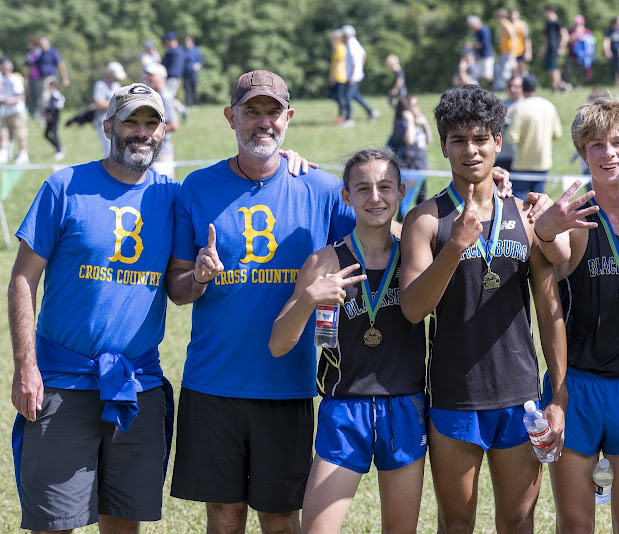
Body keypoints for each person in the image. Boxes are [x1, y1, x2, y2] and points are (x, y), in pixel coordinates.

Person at [165, 70, 356, 534]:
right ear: (231, 117)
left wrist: (480, 186)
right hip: (213, 382)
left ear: (288, 118)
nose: (263, 122)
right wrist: (199, 277)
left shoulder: (320, 188)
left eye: (273, 112)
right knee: (223, 514)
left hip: (286, 385)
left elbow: (383, 227)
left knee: (279, 517)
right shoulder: (197, 187)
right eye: (252, 111)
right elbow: (176, 287)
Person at [398, 84, 568, 533]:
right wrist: (454, 247)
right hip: (455, 395)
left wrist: (559, 394)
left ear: (497, 141)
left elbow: (549, 309)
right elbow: (413, 309)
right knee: (456, 523)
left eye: (480, 138)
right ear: (443, 146)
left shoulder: (526, 216)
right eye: (458, 140)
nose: (470, 150)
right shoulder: (426, 220)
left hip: (520, 396)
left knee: (519, 522)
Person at [9, 82, 178, 533]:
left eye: (151, 123)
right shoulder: (64, 186)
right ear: (108, 127)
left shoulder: (174, 197)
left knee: (122, 522)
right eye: (130, 121)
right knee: (53, 523)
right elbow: (23, 279)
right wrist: (25, 366)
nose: (141, 132)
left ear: (163, 131)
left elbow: (238, 185)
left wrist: (287, 162)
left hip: (136, 383)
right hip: (60, 383)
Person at [269, 149, 426, 534]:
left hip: (404, 405)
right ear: (346, 196)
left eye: (385, 187)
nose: (375, 197)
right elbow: (278, 344)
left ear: (401, 192)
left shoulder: (417, 249)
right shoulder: (324, 262)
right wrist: (308, 299)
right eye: (363, 188)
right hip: (344, 407)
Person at [534, 97, 619, 533]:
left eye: (618, 142)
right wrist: (547, 229)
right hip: (577, 387)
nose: (608, 153)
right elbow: (555, 248)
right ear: (583, 153)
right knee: (575, 523)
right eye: (595, 145)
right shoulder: (575, 221)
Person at [507, 74, 562, 196]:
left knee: (519, 200)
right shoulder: (549, 106)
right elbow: (557, 133)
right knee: (539, 200)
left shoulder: (520, 108)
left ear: (522, 89)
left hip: (522, 164)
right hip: (543, 162)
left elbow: (512, 136)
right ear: (536, 88)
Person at [387, 94, 432, 217]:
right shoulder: (401, 124)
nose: (418, 107)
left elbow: (429, 139)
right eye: (415, 105)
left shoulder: (417, 124)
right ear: (407, 108)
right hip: (409, 172)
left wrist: (425, 124)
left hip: (421, 169)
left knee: (422, 203)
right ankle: (399, 227)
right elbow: (410, 140)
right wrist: (410, 121)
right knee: (404, 205)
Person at [144, 63, 180, 179]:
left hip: (163, 152)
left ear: (161, 77)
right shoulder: (155, 95)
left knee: (164, 187)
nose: (148, 78)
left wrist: (150, 133)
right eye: (147, 75)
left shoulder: (165, 96)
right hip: (151, 150)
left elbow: (174, 125)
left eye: (151, 75)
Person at [341, 24, 378, 128]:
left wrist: (353, 75)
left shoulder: (350, 44)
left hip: (353, 77)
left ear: (347, 35)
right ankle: (371, 112)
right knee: (355, 96)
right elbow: (363, 55)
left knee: (348, 96)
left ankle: (349, 119)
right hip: (356, 75)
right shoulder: (355, 43)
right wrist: (360, 68)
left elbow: (353, 62)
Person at [92, 62, 128, 157]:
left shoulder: (117, 85)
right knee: (109, 151)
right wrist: (117, 103)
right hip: (104, 122)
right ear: (110, 74)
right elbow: (98, 104)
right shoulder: (100, 85)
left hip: (117, 121)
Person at [0, 58, 29, 165]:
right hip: (6, 112)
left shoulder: (15, 79)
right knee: (4, 134)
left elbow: (21, 96)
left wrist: (9, 101)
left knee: (20, 133)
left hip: (17, 112)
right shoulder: (3, 80)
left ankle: (23, 154)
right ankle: (3, 154)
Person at [495, 74, 524, 172]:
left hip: (519, 157)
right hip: (503, 155)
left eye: (516, 86)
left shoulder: (525, 105)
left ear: (522, 88)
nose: (512, 89)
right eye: (510, 86)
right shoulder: (501, 105)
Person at [538, 5, 569, 92]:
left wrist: (561, 47)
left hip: (555, 49)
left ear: (549, 11)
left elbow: (565, 35)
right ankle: (562, 86)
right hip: (549, 49)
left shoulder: (558, 22)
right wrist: (541, 51)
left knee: (553, 69)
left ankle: (554, 88)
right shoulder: (548, 24)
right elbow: (547, 39)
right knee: (549, 69)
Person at [35, 37, 69, 117]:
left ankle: (47, 116)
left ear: (48, 44)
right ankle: (46, 116)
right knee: (42, 99)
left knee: (46, 98)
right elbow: (34, 66)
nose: (41, 46)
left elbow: (60, 64)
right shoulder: (40, 54)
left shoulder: (53, 52)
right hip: (41, 79)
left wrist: (65, 77)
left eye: (43, 45)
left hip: (50, 79)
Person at [565, 14, 595, 89]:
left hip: (583, 56)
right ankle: (568, 85)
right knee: (569, 71)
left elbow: (591, 43)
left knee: (581, 71)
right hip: (571, 54)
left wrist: (583, 38)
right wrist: (574, 39)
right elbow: (566, 41)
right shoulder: (570, 31)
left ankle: (579, 85)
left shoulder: (587, 31)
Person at [466, 15, 494, 89]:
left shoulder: (484, 30)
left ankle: (492, 89)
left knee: (488, 75)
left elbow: (483, 44)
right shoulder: (476, 32)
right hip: (479, 56)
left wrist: (471, 45)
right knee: (476, 74)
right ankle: (478, 89)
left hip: (486, 56)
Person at [494, 9, 518, 91]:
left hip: (508, 52)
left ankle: (508, 88)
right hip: (504, 52)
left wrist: (512, 53)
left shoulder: (507, 25)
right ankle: (503, 88)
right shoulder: (503, 26)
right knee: (502, 71)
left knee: (506, 72)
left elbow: (514, 39)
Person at [328, 29, 347, 123]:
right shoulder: (338, 48)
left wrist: (333, 77)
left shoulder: (339, 48)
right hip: (338, 76)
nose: (330, 40)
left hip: (339, 76)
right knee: (335, 96)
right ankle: (342, 111)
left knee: (338, 97)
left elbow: (338, 64)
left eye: (331, 38)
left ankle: (342, 114)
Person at [43, 78, 65, 161]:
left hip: (54, 118)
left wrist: (50, 114)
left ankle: (59, 149)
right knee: (46, 134)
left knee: (54, 133)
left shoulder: (56, 95)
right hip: (49, 118)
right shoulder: (52, 95)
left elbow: (58, 106)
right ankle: (58, 147)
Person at [603, 15, 619, 88]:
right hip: (613, 52)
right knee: (613, 67)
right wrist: (607, 50)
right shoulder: (609, 31)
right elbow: (606, 41)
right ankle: (615, 82)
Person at [161, 32, 185, 98]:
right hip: (177, 76)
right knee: (170, 95)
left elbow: (163, 64)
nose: (166, 43)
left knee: (167, 96)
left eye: (166, 41)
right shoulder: (181, 50)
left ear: (169, 40)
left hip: (170, 76)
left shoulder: (171, 52)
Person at [182, 36, 203, 108]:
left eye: (188, 41)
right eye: (185, 42)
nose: (186, 43)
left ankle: (195, 104)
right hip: (185, 73)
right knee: (187, 90)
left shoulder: (196, 50)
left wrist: (198, 66)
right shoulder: (183, 51)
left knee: (194, 89)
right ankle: (189, 105)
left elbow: (200, 61)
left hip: (193, 73)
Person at [24, 35, 41, 121]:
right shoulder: (29, 54)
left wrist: (26, 77)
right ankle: (34, 113)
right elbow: (28, 66)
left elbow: (34, 66)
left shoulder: (39, 53)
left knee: (39, 96)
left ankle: (39, 113)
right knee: (32, 96)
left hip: (39, 77)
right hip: (31, 77)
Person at [510, 9, 532, 76]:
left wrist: (528, 51)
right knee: (513, 69)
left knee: (522, 69)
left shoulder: (521, 24)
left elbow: (526, 39)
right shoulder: (508, 24)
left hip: (521, 50)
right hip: (511, 51)